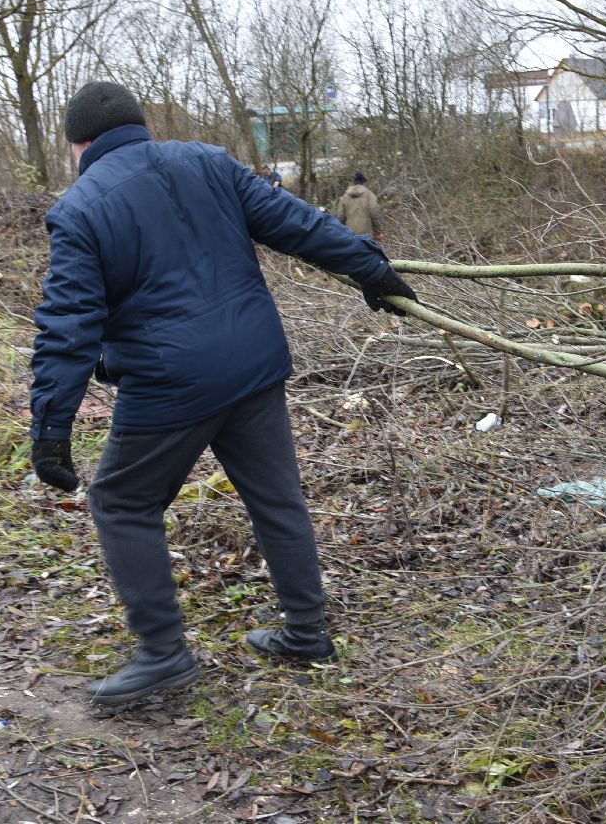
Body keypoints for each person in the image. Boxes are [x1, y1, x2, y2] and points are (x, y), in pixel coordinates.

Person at [27, 81, 419, 705]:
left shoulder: (81, 208)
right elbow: (297, 224)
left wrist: (50, 428)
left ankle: (162, 654)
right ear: (138, 123)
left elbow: (68, 326)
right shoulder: (207, 161)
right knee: (276, 497)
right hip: (253, 363)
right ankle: (307, 630)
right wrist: (369, 267)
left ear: (79, 143)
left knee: (122, 501)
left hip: (170, 382)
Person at [335, 170, 383, 240]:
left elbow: (340, 217)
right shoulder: (370, 195)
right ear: (364, 183)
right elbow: (375, 215)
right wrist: (378, 231)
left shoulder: (345, 196)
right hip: (366, 236)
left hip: (349, 235)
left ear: (354, 183)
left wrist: (340, 233)